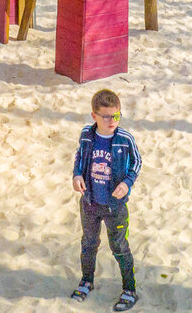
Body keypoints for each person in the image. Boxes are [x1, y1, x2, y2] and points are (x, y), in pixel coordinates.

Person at [70, 89, 142, 311]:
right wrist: (76, 175)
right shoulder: (86, 135)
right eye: (106, 116)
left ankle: (129, 289)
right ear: (94, 116)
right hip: (90, 203)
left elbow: (137, 163)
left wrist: (127, 183)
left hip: (115, 207)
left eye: (116, 116)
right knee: (88, 244)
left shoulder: (125, 139)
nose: (112, 121)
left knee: (119, 246)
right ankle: (86, 281)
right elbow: (79, 157)